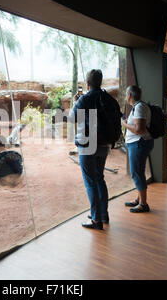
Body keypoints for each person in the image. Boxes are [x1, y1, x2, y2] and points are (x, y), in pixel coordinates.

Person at [68, 69, 118, 230]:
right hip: (104, 143)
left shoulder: (84, 99)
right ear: (100, 82)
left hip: (87, 144)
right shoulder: (108, 98)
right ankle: (103, 214)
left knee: (90, 182)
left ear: (87, 83)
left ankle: (96, 220)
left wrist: (76, 102)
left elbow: (71, 118)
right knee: (99, 178)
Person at [121, 85, 154, 213]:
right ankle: (139, 199)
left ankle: (143, 204)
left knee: (136, 173)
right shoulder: (138, 106)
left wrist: (123, 123)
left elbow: (139, 129)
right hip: (138, 143)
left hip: (139, 143)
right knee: (138, 172)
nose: (125, 96)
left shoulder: (139, 107)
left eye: (126, 94)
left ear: (130, 95)